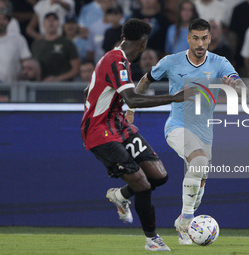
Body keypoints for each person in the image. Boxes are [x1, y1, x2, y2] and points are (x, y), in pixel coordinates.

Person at [125, 18, 247, 245]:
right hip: (177, 126)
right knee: (199, 161)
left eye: (204, 38)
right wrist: (131, 108)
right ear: (189, 38)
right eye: (196, 38)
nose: (200, 43)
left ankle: (182, 220)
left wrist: (235, 87)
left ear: (210, 38)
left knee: (200, 181)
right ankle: (187, 220)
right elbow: (144, 80)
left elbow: (242, 89)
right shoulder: (171, 62)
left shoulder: (220, 62)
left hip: (205, 132)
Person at [80, 18, 195, 251]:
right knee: (142, 184)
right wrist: (173, 97)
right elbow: (132, 99)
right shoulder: (115, 60)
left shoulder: (116, 59)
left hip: (119, 126)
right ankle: (152, 240)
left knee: (159, 176)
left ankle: (121, 196)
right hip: (100, 132)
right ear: (142, 45)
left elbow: (89, 89)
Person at [31, 12, 80, 81]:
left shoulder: (67, 43)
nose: (51, 22)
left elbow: (76, 69)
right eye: (48, 20)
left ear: (58, 24)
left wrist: (57, 79)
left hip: (63, 87)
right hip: (41, 86)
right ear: (43, 24)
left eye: (54, 20)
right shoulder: (36, 44)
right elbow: (33, 66)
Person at [0, 8, 31, 82]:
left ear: (8, 21)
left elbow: (26, 62)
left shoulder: (18, 39)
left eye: (4, 19)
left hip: (13, 86)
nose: (1, 22)